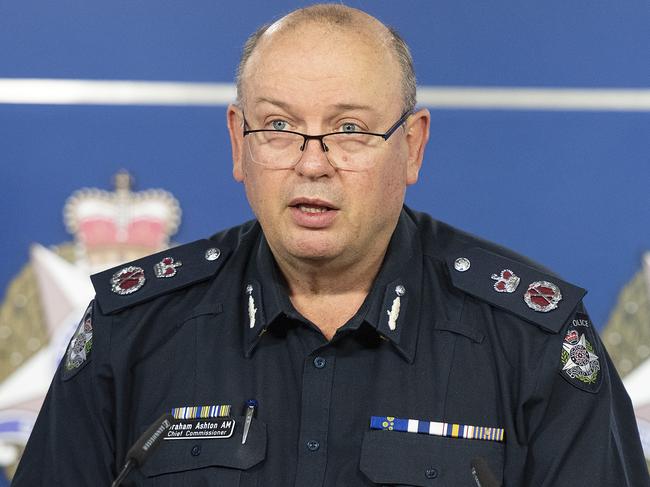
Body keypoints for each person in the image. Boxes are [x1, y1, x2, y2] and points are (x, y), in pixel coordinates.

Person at [13, 4, 649, 486]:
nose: (311, 164)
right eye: (281, 126)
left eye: (350, 129)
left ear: (414, 146)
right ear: (239, 142)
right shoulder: (133, 327)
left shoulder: (529, 336)